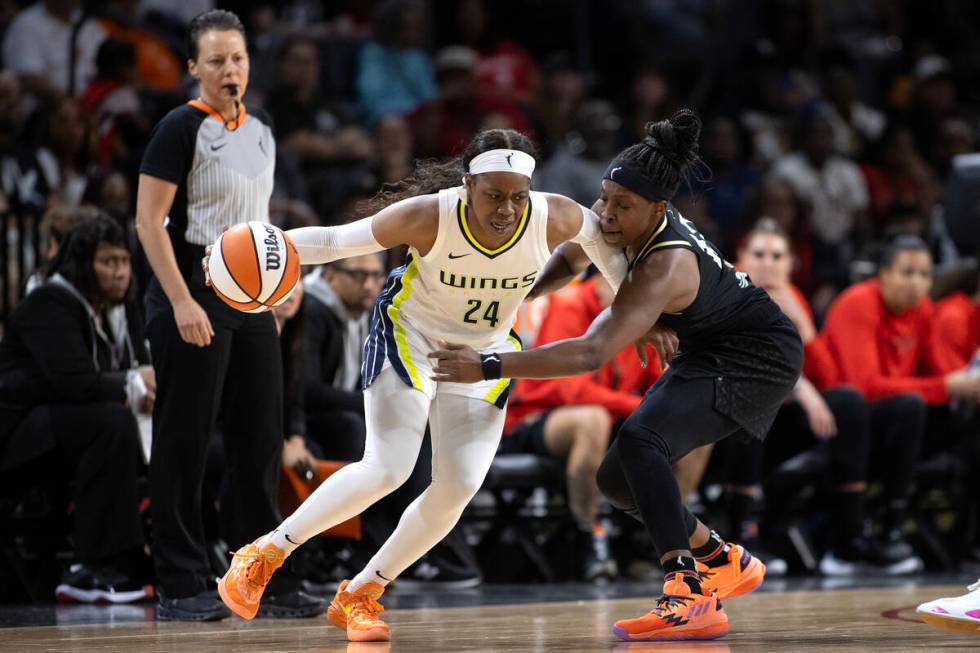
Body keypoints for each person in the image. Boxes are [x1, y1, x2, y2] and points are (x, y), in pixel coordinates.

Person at [210, 126, 628, 641]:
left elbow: (613, 257)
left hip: (484, 352)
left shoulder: (556, 215)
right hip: (411, 335)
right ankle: (266, 552)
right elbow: (336, 242)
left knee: (458, 487)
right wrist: (253, 250)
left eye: (517, 197)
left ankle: (361, 592)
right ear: (468, 184)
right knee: (389, 466)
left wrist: (651, 317)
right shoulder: (429, 216)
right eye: (494, 195)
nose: (505, 210)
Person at [431, 110, 804, 642]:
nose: (605, 213)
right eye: (604, 197)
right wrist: (511, 296)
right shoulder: (624, 214)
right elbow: (574, 254)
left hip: (757, 357)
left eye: (621, 206)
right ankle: (722, 559)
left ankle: (688, 592)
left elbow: (589, 354)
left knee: (642, 443)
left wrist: (488, 364)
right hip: (708, 349)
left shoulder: (664, 266)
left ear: (659, 209)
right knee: (615, 478)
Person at [134, 9, 321, 621]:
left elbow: (258, 222)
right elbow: (147, 223)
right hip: (190, 290)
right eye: (215, 60)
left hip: (251, 299)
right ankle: (180, 579)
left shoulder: (263, 127)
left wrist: (284, 281)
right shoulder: (177, 128)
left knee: (260, 440)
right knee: (184, 440)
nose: (228, 69)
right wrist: (183, 301)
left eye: (236, 58)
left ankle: (258, 577)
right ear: (193, 68)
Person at [733, 219, 901, 576]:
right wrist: (803, 389)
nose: (768, 263)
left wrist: (804, 326)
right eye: (759, 254)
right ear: (741, 257)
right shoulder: (728, 293)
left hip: (785, 418)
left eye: (777, 256)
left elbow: (828, 378)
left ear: (790, 263)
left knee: (849, 401)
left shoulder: (791, 297)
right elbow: (743, 364)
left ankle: (848, 537)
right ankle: (744, 532)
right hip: (734, 413)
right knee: (754, 397)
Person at [0, 214, 153, 603]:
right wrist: (136, 382)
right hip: (16, 435)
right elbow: (78, 384)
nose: (120, 273)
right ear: (83, 264)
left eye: (124, 261)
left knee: (140, 425)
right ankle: (91, 566)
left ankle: (141, 557)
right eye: (108, 262)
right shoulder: (50, 301)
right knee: (109, 423)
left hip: (57, 429)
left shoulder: (112, 308)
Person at [820, 236, 980, 566]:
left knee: (965, 419)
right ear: (883, 274)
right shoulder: (857, 302)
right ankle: (891, 526)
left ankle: (968, 535)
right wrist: (947, 387)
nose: (916, 283)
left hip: (895, 422)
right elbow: (863, 387)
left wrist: (965, 386)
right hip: (842, 420)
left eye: (924, 275)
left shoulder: (922, 309)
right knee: (910, 406)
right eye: (907, 273)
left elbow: (943, 370)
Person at [502, 273, 662, 582]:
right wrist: (639, 407)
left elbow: (657, 381)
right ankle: (591, 537)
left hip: (611, 416)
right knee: (593, 420)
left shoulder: (639, 313)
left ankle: (654, 539)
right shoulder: (571, 305)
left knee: (681, 421)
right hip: (539, 418)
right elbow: (571, 390)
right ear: (602, 276)